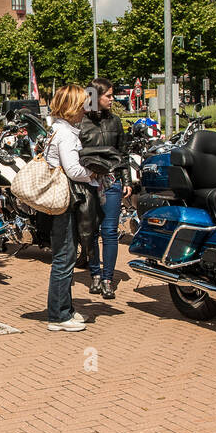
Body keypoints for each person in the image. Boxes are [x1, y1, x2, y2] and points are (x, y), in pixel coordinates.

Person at [43, 84, 97, 331]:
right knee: (64, 257)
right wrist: (94, 173)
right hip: (65, 201)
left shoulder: (57, 130)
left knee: (64, 256)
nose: (86, 110)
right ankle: (58, 316)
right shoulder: (65, 135)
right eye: (82, 105)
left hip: (62, 201)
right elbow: (73, 170)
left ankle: (65, 308)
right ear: (72, 107)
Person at [79, 78, 130, 299]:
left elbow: (123, 153)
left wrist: (127, 180)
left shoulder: (115, 122)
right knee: (90, 232)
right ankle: (95, 275)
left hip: (111, 182)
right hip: (88, 182)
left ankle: (108, 279)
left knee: (109, 231)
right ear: (95, 97)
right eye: (108, 95)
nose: (112, 99)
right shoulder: (80, 123)